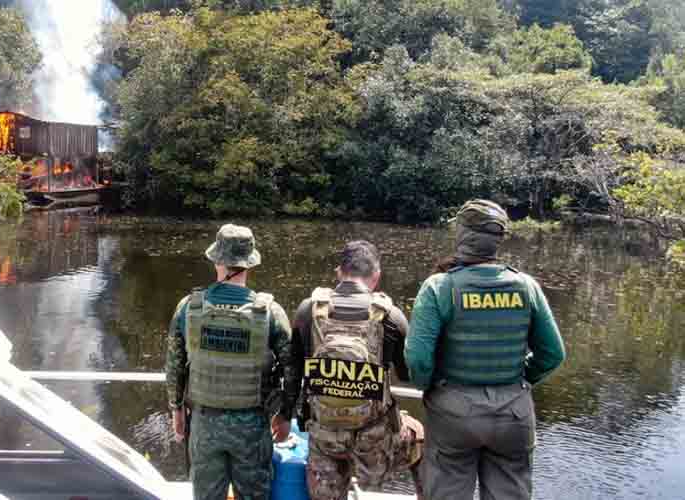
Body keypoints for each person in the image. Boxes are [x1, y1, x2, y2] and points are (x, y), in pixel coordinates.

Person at [405, 199, 566, 500]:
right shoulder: (526, 286)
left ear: (463, 234)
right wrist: (519, 380)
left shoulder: (439, 287)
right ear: (498, 239)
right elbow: (553, 354)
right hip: (514, 413)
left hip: (453, 411)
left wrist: (431, 388)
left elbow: (417, 358)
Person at [165, 224, 299, 500]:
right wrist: (285, 415)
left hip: (204, 423)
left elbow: (175, 365)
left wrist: (177, 410)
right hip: (252, 425)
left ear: (217, 260)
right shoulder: (270, 313)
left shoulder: (189, 307)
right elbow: (292, 369)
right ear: (249, 263)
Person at [292, 240, 424, 500]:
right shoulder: (391, 316)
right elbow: (409, 374)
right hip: (372, 445)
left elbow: (293, 371)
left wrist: (285, 415)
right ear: (376, 276)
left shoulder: (309, 310)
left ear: (339, 273)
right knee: (421, 436)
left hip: (324, 439)